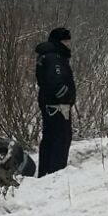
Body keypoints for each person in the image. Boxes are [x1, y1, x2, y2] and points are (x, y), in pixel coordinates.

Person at [35, 27, 76, 176]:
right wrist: (66, 98)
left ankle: (45, 172)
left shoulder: (47, 56)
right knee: (61, 138)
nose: (68, 44)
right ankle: (55, 174)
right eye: (66, 41)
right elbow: (55, 82)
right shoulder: (55, 58)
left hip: (50, 103)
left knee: (50, 137)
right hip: (57, 106)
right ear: (59, 41)